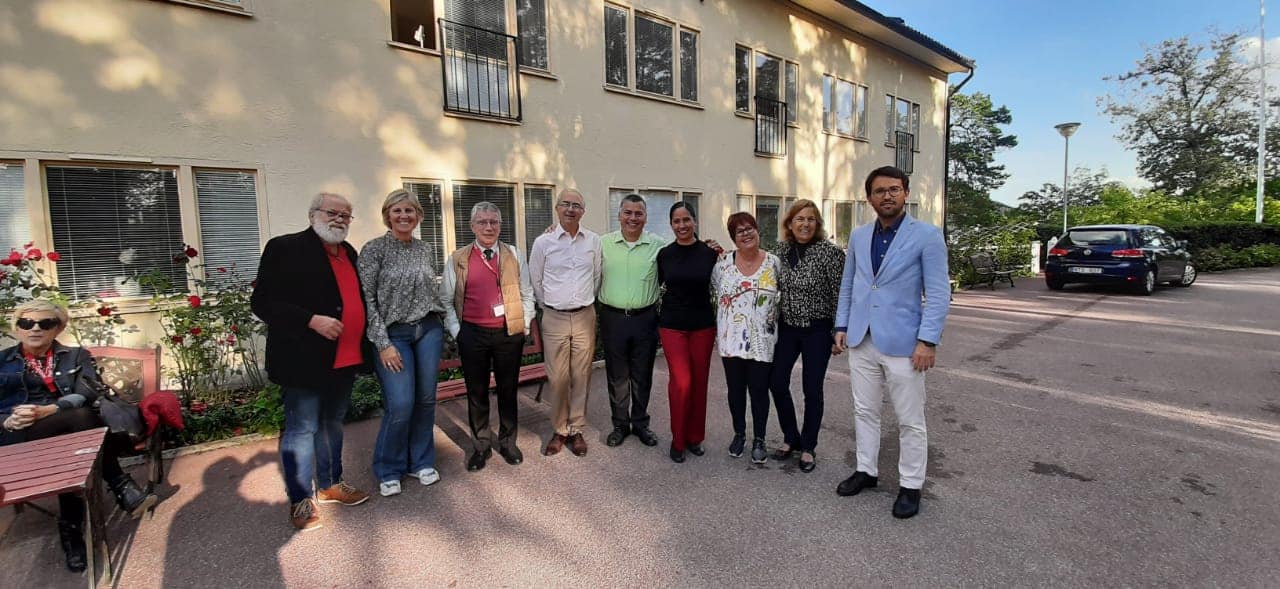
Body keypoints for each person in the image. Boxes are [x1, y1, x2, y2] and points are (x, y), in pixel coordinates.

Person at [0, 299, 158, 572]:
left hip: (71, 436)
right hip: (19, 438)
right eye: (27, 323)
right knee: (83, 420)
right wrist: (8, 420)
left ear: (58, 328)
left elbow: (86, 392)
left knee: (80, 420)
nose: (35, 329)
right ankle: (120, 485)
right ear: (17, 328)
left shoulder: (75, 356)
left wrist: (49, 410)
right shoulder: (2, 362)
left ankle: (72, 532)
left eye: (45, 323)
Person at [833, 166, 951, 519]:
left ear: (906, 193)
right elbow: (849, 283)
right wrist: (841, 324)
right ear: (869, 198)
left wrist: (927, 340)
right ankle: (866, 470)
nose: (888, 196)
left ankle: (911, 485)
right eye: (880, 191)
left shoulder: (927, 236)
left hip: (905, 343)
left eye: (894, 190)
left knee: (910, 418)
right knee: (864, 410)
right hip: (861, 337)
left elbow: (940, 292)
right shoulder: (859, 235)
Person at [251, 192, 372, 531]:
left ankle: (332, 483)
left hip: (344, 358)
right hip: (303, 360)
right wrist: (310, 320)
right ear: (313, 214)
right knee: (302, 429)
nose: (340, 219)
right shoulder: (285, 247)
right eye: (332, 212)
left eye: (346, 215)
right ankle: (301, 498)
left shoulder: (348, 252)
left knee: (333, 423)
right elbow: (262, 302)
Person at [358, 188, 447, 497]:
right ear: (388, 215)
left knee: (425, 400)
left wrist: (444, 324)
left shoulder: (424, 249)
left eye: (409, 211)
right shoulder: (374, 250)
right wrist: (382, 343)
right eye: (398, 211)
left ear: (418, 216)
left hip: (428, 330)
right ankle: (388, 467)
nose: (404, 216)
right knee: (400, 404)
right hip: (393, 335)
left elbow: (429, 292)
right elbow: (366, 299)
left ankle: (420, 461)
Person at [441, 201, 535, 472]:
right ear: (472, 226)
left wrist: (524, 325)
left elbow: (527, 293)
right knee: (477, 393)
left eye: (494, 222)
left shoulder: (515, 254)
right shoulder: (458, 258)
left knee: (508, 391)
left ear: (500, 225)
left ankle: (508, 442)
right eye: (482, 222)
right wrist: (459, 332)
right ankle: (481, 446)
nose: (488, 227)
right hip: (472, 334)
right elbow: (446, 300)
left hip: (508, 333)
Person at [768, 199, 845, 473]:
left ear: (818, 223)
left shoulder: (830, 253)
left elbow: (840, 294)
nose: (805, 224)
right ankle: (791, 437)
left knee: (812, 389)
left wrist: (839, 330)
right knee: (776, 382)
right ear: (790, 223)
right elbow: (758, 273)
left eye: (811, 219)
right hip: (788, 327)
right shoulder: (779, 251)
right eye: (799, 219)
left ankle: (809, 446)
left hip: (817, 329)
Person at [528, 189, 601, 458]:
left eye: (577, 205)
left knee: (581, 376)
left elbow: (597, 276)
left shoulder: (593, 241)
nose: (571, 209)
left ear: (583, 211)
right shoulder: (543, 242)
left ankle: (576, 428)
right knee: (558, 378)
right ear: (557, 208)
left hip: (584, 315)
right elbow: (535, 280)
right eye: (566, 204)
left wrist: (583, 301)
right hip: (555, 316)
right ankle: (559, 429)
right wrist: (549, 304)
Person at [711, 212, 781, 464]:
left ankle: (759, 439)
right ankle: (739, 433)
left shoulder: (773, 262)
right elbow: (717, 292)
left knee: (760, 391)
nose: (746, 233)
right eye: (739, 231)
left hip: (763, 341)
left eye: (750, 228)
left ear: (758, 231)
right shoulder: (723, 264)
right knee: (736, 391)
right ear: (733, 237)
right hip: (731, 341)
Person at [598, 194, 667, 448]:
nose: (633, 218)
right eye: (628, 213)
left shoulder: (658, 245)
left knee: (642, 375)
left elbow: (681, 258)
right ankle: (619, 424)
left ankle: (640, 424)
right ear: (619, 215)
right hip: (612, 317)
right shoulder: (602, 244)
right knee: (616, 376)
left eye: (638, 213)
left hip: (645, 319)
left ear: (645, 217)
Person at [656, 201, 718, 463]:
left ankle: (695, 437)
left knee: (699, 382)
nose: (681, 225)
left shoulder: (710, 253)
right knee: (681, 382)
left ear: (695, 222)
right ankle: (678, 438)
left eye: (686, 220)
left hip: (703, 325)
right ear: (671, 225)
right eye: (676, 221)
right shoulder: (664, 255)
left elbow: (728, 277)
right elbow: (654, 284)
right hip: (672, 325)